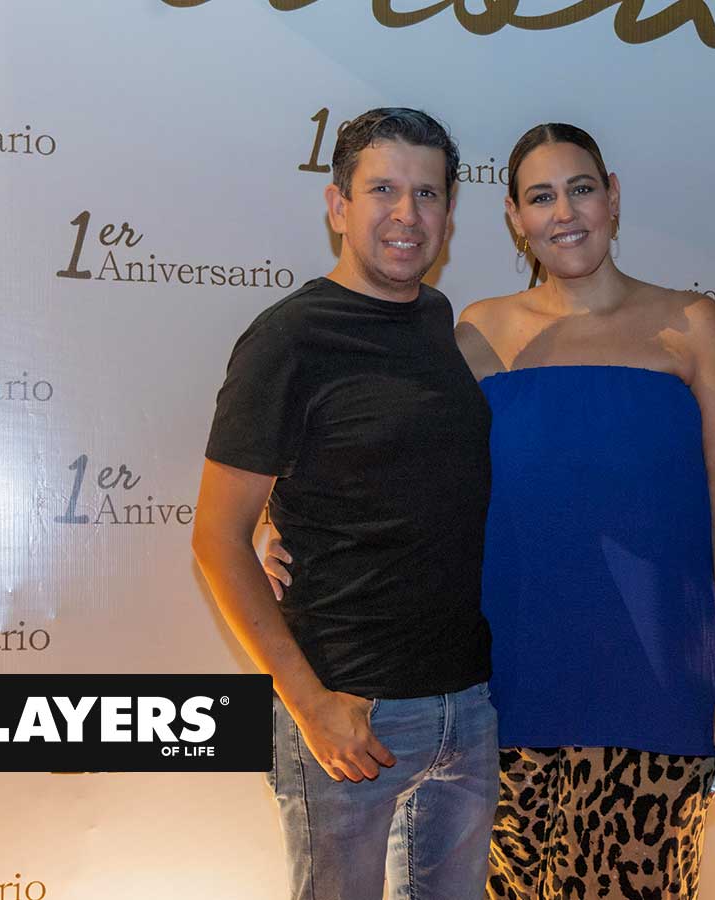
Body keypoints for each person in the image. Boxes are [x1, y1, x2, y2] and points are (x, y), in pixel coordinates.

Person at [267, 121, 715, 900]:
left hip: (656, 679)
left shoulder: (693, 325)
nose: (563, 212)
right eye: (541, 197)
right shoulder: (477, 332)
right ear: (513, 216)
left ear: (612, 198)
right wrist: (280, 511)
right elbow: (384, 439)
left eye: (581, 189)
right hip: (502, 688)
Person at [191, 108, 499, 900]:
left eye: (427, 194)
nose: (408, 215)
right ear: (339, 206)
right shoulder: (289, 338)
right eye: (383, 190)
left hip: (464, 707)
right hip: (347, 713)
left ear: (449, 213)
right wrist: (310, 705)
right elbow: (218, 538)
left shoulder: (436, 320)